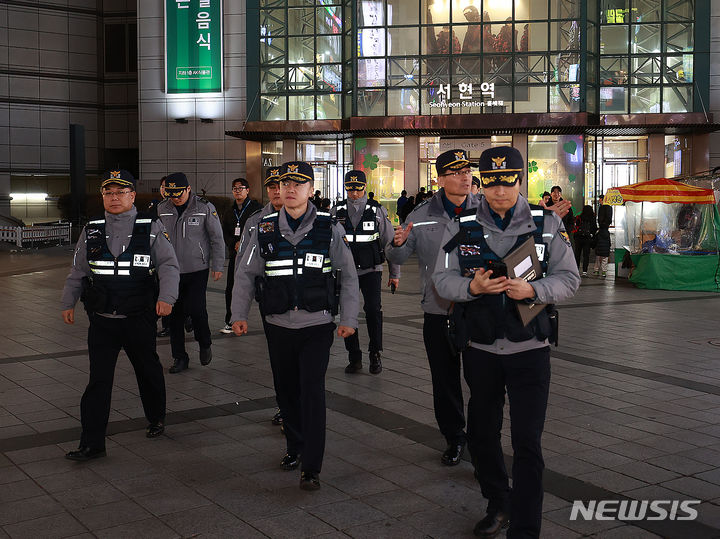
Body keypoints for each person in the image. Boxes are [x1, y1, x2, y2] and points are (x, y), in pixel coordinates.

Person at [433, 147, 580, 538]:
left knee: (527, 441)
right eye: (492, 182)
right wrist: (471, 286)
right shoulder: (461, 223)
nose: (500, 190)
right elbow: (440, 280)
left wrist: (532, 289)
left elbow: (569, 278)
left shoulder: (546, 223)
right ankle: (498, 502)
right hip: (480, 350)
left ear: (520, 181)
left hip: (529, 351)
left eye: (508, 181)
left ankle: (527, 525)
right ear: (482, 182)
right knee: (481, 434)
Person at [231, 161, 360, 491]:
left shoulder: (329, 228)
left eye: (298, 183)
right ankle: (295, 446)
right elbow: (246, 274)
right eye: (285, 183)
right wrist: (238, 315)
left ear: (311, 189)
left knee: (312, 391)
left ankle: (311, 466)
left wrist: (348, 319)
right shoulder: (264, 228)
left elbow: (348, 278)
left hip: (317, 325)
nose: (289, 188)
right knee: (286, 391)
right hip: (277, 324)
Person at [60, 170, 180, 461]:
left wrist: (167, 298)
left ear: (132, 196)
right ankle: (92, 443)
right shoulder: (92, 229)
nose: (114, 198)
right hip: (102, 319)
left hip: (138, 316)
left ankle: (156, 417)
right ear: (103, 197)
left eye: (120, 192)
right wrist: (68, 301)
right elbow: (79, 270)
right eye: (108, 193)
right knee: (98, 380)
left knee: (147, 370)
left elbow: (168, 265)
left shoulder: (150, 226)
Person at [386, 149, 480, 467]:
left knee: (483, 382)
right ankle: (455, 438)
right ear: (439, 179)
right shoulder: (421, 214)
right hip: (438, 311)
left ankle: (482, 442)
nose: (465, 176)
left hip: (480, 311)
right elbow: (398, 258)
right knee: (444, 381)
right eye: (456, 172)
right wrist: (396, 244)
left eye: (467, 170)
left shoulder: (487, 210)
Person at [331, 170, 400, 375]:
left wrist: (394, 273)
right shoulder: (336, 211)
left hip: (371, 270)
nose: (354, 192)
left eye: (358, 188)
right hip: (346, 272)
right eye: (350, 188)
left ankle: (375, 354)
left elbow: (389, 243)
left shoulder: (377, 210)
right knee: (347, 312)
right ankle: (354, 356)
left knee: (373, 311)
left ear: (365, 187)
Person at [156, 172, 225, 373]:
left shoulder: (204, 207)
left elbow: (217, 239)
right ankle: (180, 357)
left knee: (196, 309)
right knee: (174, 316)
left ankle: (204, 342)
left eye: (179, 193)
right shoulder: (162, 208)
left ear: (188, 189)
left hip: (197, 269)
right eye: (171, 194)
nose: (176, 198)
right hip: (170, 271)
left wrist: (218, 265)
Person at [237, 167, 285, 427]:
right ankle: (284, 405)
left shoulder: (310, 218)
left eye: (281, 185)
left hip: (308, 303)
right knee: (278, 359)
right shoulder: (255, 220)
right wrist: (238, 310)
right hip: (271, 300)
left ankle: (299, 406)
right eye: (271, 186)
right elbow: (243, 263)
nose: (277, 191)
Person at [220, 177, 262, 333]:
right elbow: (225, 231)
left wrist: (244, 243)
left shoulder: (256, 209)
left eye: (241, 188)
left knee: (258, 286)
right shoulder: (229, 210)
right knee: (231, 286)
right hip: (235, 254)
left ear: (248, 190)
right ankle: (231, 320)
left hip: (252, 253)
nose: (238, 191)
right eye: (235, 189)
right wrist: (233, 244)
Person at [574, 205, 597, 276]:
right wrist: (591, 234)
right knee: (586, 255)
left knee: (577, 255)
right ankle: (584, 271)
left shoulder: (580, 217)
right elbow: (594, 228)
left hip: (578, 238)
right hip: (587, 238)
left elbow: (576, 226)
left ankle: (576, 270)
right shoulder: (592, 218)